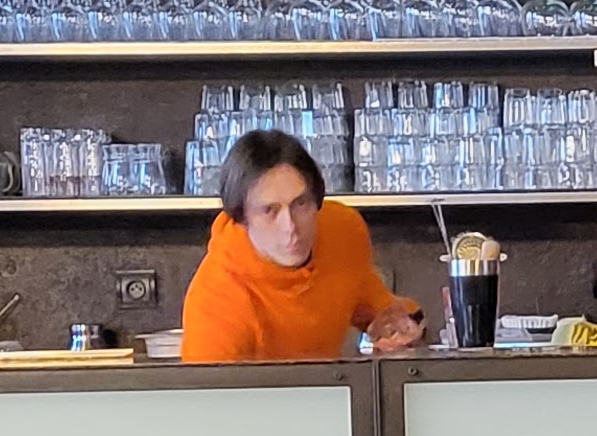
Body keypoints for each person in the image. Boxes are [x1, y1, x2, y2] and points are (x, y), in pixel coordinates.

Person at [180, 129, 423, 361]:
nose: (290, 227)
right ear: (241, 217)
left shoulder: (343, 230)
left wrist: (403, 326)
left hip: (332, 388)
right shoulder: (216, 301)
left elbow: (373, 303)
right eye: (269, 210)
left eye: (301, 203)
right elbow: (207, 392)